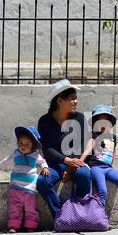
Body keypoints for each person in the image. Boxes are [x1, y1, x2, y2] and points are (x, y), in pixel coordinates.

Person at [37, 79, 92, 218]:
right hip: (55, 164)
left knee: (83, 175)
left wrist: (72, 167)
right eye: (71, 99)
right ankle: (61, 215)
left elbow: (84, 144)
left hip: (77, 162)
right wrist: (66, 161)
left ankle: (81, 213)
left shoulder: (79, 118)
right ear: (59, 101)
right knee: (43, 181)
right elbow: (46, 148)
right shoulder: (44, 121)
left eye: (76, 98)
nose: (75, 102)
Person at [79, 104, 118, 224]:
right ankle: (99, 216)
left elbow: (112, 154)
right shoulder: (93, 135)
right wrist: (81, 160)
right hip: (96, 167)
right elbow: (88, 149)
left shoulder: (114, 138)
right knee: (102, 191)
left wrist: (110, 165)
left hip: (108, 168)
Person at [0, 126, 49, 233]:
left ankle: (31, 226)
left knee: (30, 209)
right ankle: (14, 226)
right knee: (14, 208)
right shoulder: (16, 154)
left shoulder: (36, 155)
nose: (23, 146)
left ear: (32, 145)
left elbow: (42, 162)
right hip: (15, 188)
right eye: (21, 143)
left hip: (30, 189)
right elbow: (6, 161)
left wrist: (45, 168)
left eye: (27, 144)